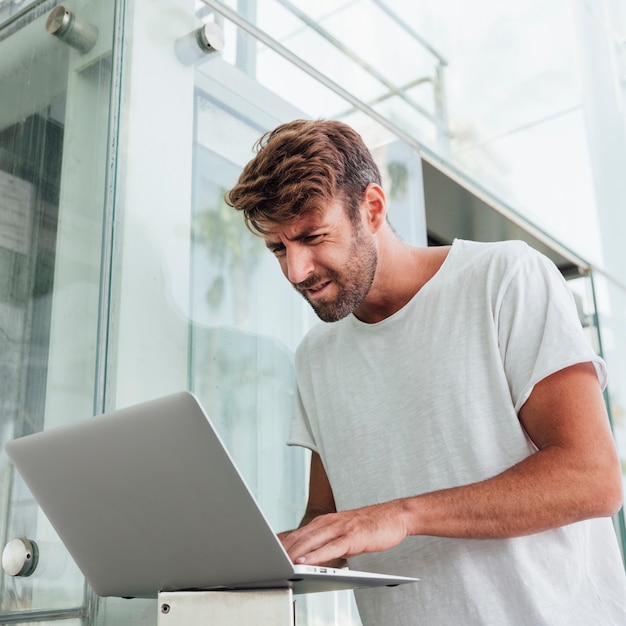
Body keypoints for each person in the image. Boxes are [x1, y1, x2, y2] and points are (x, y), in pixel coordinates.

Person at [226, 119, 626, 625]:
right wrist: (251, 563)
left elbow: (593, 478)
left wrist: (401, 515)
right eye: (279, 248)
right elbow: (332, 524)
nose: (295, 270)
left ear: (371, 208)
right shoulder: (316, 355)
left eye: (312, 237)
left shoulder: (504, 280)